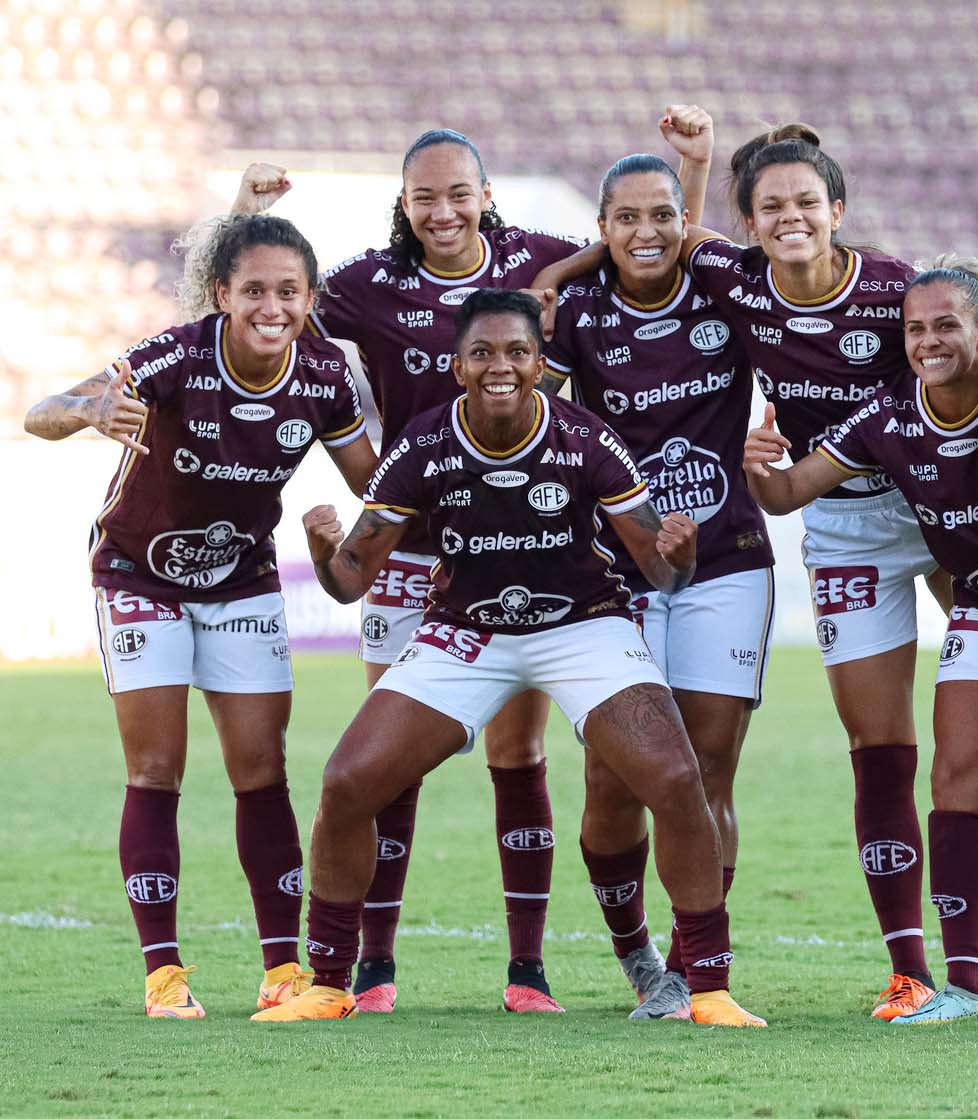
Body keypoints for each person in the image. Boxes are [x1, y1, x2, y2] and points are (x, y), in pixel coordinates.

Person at [230, 122, 680, 1012]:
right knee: (385, 762)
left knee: (517, 754)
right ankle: (372, 968)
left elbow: (647, 249)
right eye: (424, 196)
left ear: (485, 196)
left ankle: (527, 971)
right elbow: (264, 306)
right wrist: (245, 214)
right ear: (403, 204)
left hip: (525, 547)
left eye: (457, 193)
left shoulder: (536, 258)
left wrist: (679, 187)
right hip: (405, 546)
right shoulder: (367, 284)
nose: (442, 211)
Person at [680, 123, 978, 1019]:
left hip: (941, 494)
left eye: (806, 202)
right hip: (843, 517)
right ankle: (913, 969)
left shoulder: (895, 290)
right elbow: (675, 240)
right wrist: (691, 167)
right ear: (750, 223)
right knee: (879, 749)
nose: (789, 218)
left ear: (838, 211)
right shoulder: (735, 277)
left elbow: (973, 340)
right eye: (770, 207)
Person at [252, 289, 765, 1027]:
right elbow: (348, 582)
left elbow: (660, 571)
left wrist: (676, 557)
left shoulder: (586, 438)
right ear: (457, 365)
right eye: (484, 353)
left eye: (518, 352)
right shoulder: (424, 444)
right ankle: (329, 982)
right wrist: (324, 551)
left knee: (678, 779)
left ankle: (709, 989)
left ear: (537, 363)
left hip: (582, 624)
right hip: (468, 634)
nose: (502, 366)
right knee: (346, 781)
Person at [23, 214, 376, 1018]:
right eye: (253, 290)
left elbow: (378, 479)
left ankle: (282, 971)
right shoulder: (176, 355)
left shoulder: (322, 376)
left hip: (243, 577)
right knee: (157, 768)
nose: (271, 307)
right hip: (137, 574)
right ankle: (164, 976)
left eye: (288, 291)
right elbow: (41, 410)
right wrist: (87, 413)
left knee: (262, 770)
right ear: (222, 294)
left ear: (309, 298)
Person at [541, 136, 777, 1019]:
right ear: (601, 230)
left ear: (688, 224)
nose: (647, 232)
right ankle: (635, 950)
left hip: (726, 562)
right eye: (626, 220)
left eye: (663, 216)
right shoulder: (573, 314)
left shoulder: (725, 288)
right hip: (616, 574)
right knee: (614, 780)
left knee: (708, 769)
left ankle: (689, 968)